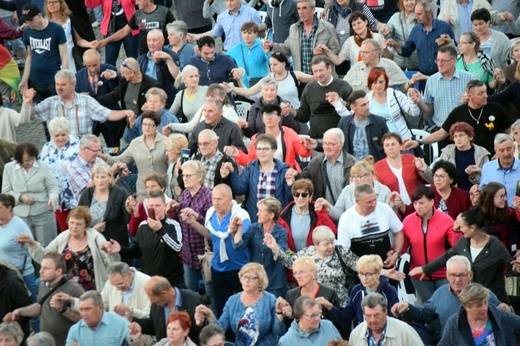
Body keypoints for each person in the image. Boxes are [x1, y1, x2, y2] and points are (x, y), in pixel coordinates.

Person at [409, 207, 517, 303]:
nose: (459, 230)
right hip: (470, 302)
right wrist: (425, 269)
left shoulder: (495, 246)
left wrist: (517, 268)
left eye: (462, 227)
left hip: (492, 302)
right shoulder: (464, 242)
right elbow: (447, 256)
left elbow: (511, 266)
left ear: (472, 229)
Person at [391, 256, 507, 338]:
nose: (457, 280)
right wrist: (407, 307)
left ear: (470, 275)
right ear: (447, 275)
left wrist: (507, 309)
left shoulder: (484, 295)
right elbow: (424, 315)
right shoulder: (440, 293)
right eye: (453, 275)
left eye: (461, 275)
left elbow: (503, 319)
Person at [182, 184, 250, 317]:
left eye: (220, 199)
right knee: (222, 311)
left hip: (240, 269)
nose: (216, 203)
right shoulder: (211, 213)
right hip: (218, 269)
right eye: (213, 199)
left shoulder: (241, 216)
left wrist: (233, 231)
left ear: (230, 199)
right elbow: (210, 236)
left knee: (244, 311)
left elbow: (240, 242)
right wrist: (194, 223)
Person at [18, 206, 119, 292]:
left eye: (78, 224)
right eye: (72, 223)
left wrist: (111, 252)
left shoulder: (96, 238)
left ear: (86, 226)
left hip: (90, 292)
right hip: (65, 290)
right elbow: (45, 256)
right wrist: (32, 243)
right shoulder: (63, 237)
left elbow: (111, 264)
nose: (74, 226)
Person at [20, 69, 134, 139]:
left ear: (73, 85)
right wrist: (27, 103)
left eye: (63, 85)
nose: (59, 88)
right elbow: (29, 116)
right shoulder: (50, 103)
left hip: (82, 152)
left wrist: (126, 112)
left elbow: (108, 114)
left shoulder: (86, 101)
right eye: (57, 84)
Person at [406, 80, 511, 155]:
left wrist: (502, 151)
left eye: (485, 92)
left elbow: (510, 132)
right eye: (480, 94)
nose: (485, 96)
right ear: (469, 96)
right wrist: (420, 142)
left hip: (493, 157)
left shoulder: (496, 109)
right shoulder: (459, 112)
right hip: (468, 158)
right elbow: (442, 133)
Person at [265, 226, 359, 308]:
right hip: (314, 304)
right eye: (326, 244)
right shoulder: (308, 253)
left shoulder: (341, 252)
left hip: (340, 303)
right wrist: (274, 246)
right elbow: (290, 263)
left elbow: (360, 265)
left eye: (332, 242)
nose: (331, 246)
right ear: (316, 245)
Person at [3, 252, 85, 346]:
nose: (40, 271)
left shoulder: (74, 289)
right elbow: (39, 306)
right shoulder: (43, 284)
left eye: (46, 268)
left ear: (58, 271)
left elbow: (85, 319)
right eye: (41, 267)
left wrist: (63, 310)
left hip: (67, 342)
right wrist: (19, 311)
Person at [194, 263, 286, 346]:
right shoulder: (232, 301)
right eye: (244, 276)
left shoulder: (270, 299)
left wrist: (279, 314)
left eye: (251, 278)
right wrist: (210, 315)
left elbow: (279, 331)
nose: (246, 281)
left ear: (260, 281)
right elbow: (221, 329)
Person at [107, 191, 183, 287]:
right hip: (148, 280)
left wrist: (160, 230)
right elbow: (138, 251)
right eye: (151, 206)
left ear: (164, 206)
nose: (154, 209)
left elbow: (177, 247)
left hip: (171, 281)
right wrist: (121, 249)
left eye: (158, 205)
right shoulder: (142, 226)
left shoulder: (173, 225)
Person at [401, 187, 460, 304]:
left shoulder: (446, 220)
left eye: (421, 203)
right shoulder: (408, 220)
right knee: (428, 309)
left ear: (432, 202)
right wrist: (394, 252)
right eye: (415, 203)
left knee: (445, 306)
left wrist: (456, 230)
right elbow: (403, 244)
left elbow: (456, 245)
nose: (418, 206)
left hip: (443, 274)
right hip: (418, 274)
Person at [320, 255, 399, 333]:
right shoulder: (356, 291)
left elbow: (395, 319)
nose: (364, 278)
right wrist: (329, 306)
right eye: (361, 273)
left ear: (378, 273)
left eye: (368, 274)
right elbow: (345, 318)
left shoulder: (389, 291)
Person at [222, 134, 292, 223]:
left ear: (274, 150)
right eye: (259, 149)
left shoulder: (283, 170)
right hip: (255, 219)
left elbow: (289, 198)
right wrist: (232, 172)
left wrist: (290, 185)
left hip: (277, 221)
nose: (261, 152)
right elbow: (239, 190)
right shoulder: (250, 168)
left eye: (266, 149)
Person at [405, 45, 474, 134]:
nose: (440, 64)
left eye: (444, 61)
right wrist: (419, 101)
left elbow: (479, 102)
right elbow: (428, 110)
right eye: (438, 60)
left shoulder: (469, 78)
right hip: (441, 130)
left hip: (465, 128)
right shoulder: (431, 80)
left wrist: (469, 100)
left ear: (454, 61)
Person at [1, 142, 59, 246]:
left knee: (47, 246)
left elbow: (53, 187)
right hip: (21, 215)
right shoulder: (9, 168)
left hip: (43, 212)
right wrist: (20, 197)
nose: (31, 163)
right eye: (27, 161)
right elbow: (5, 192)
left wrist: (53, 198)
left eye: (33, 159)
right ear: (19, 159)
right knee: (26, 247)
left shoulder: (44, 166)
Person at [230, 197, 288, 298]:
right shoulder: (253, 228)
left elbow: (282, 255)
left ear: (271, 215)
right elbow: (238, 246)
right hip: (255, 282)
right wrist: (238, 229)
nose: (257, 214)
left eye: (261, 211)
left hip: (275, 283)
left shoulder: (281, 232)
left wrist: (274, 245)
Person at [106, 111, 169, 201]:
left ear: (157, 126)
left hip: (162, 189)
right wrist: (102, 157)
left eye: (151, 125)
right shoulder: (135, 143)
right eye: (144, 124)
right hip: (143, 190)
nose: (147, 127)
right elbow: (121, 159)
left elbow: (171, 165)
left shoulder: (166, 142)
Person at [338, 183, 404, 268]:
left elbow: (398, 232)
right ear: (357, 201)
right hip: (361, 274)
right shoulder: (346, 218)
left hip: (386, 266)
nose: (374, 204)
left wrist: (396, 253)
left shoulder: (385, 209)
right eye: (369, 202)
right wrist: (366, 270)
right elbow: (344, 253)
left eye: (375, 199)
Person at [264, 0, 339, 75]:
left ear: (313, 9)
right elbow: (287, 48)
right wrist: (272, 46)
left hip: (322, 77)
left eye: (304, 8)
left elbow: (336, 50)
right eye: (298, 9)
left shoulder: (328, 28)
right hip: (302, 78)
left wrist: (323, 53)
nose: (301, 12)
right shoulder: (294, 28)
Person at [228, 104, 311, 171]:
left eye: (273, 115)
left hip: (286, 174)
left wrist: (306, 145)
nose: (269, 118)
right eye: (266, 115)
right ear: (263, 119)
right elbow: (251, 161)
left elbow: (304, 153)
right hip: (263, 175)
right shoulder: (256, 138)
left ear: (279, 118)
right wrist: (237, 154)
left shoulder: (289, 133)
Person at [385, 1, 455, 77]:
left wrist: (446, 44)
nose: (416, 17)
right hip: (423, 76)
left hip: (443, 75)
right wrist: (395, 45)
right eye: (415, 14)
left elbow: (455, 51)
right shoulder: (416, 30)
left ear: (429, 14)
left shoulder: (444, 27)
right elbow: (407, 51)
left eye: (419, 14)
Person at [286, 128, 357, 203]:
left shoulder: (352, 163)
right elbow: (304, 179)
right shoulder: (316, 162)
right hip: (322, 212)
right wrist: (295, 175)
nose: (327, 147)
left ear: (341, 144)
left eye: (331, 144)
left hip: (345, 211)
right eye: (325, 143)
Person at [348, 68, 419, 141]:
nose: (378, 85)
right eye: (375, 82)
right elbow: (351, 116)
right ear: (370, 84)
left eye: (381, 82)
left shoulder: (396, 95)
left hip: (401, 139)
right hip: (377, 142)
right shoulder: (366, 99)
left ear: (386, 82)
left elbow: (414, 113)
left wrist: (412, 100)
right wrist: (338, 105)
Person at [292, 55, 353, 139]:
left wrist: (341, 102)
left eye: (321, 70)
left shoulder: (343, 86)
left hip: (339, 139)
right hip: (316, 139)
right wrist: (291, 111)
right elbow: (304, 116)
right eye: (315, 71)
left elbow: (354, 111)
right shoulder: (309, 88)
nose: (318, 74)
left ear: (329, 69)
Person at [439, 283, 520, 345]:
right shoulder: (454, 323)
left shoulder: (501, 315)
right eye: (478, 305)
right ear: (466, 306)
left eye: (485, 302)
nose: (484, 308)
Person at [129, 276, 202, 344]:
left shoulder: (194, 301)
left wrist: (199, 325)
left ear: (163, 294)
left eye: (152, 298)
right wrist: (133, 320)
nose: (151, 301)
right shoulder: (156, 305)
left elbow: (204, 331)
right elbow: (154, 326)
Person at [316, 156, 391, 222]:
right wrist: (328, 207)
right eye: (353, 176)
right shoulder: (347, 190)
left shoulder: (384, 191)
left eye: (358, 176)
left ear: (369, 175)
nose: (355, 180)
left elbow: (390, 215)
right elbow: (339, 214)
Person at [175, 161, 212, 293]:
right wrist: (174, 211)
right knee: (190, 292)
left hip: (204, 251)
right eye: (184, 175)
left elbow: (211, 227)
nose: (185, 178)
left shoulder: (209, 197)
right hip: (188, 252)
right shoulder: (184, 194)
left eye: (189, 176)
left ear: (200, 177)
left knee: (211, 292)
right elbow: (180, 221)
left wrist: (196, 217)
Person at [18, 4, 68, 102]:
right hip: (35, 79)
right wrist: (24, 80)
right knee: (40, 113)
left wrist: (64, 77)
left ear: (39, 15)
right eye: (26, 21)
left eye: (31, 20)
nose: (29, 23)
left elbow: (64, 55)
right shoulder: (28, 31)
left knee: (57, 111)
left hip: (53, 79)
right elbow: (29, 57)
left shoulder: (56, 29)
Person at [74, 49, 122, 147]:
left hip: (110, 119)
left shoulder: (109, 69)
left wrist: (113, 78)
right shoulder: (78, 76)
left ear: (100, 60)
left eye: (95, 65)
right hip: (91, 121)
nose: (92, 69)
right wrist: (80, 97)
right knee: (88, 148)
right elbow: (74, 96)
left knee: (114, 147)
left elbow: (119, 90)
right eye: (88, 66)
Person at [78, 162, 130, 251]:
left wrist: (129, 210)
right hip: (92, 244)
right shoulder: (86, 194)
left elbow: (128, 218)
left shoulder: (120, 193)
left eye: (103, 177)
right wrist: (92, 230)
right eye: (97, 177)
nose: (100, 180)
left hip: (115, 243)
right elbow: (78, 219)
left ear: (110, 178)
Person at [39, 117, 79, 233]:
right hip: (57, 197)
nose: (60, 138)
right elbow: (42, 167)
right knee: (64, 230)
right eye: (56, 136)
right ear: (51, 135)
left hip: (75, 195)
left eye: (63, 134)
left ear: (68, 132)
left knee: (78, 227)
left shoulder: (77, 145)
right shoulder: (47, 147)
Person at [0, 194, 38, 315]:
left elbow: (32, 247)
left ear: (9, 208)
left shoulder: (19, 225)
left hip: (22, 275)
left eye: (0, 208)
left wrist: (24, 244)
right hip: (3, 276)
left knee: (31, 311)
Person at [97, 0, 175, 56]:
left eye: (139, 0)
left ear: (148, 1)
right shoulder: (137, 15)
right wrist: (106, 40)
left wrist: (185, 35)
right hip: (145, 56)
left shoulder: (164, 12)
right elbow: (124, 31)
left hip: (164, 53)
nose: (136, 2)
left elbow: (176, 28)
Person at [278, 179, 337, 252]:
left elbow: (331, 231)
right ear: (293, 196)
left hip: (313, 257)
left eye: (304, 195)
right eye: (297, 194)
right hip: (291, 257)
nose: (300, 198)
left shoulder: (317, 212)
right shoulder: (284, 215)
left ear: (310, 196)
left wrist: (321, 213)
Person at [374, 133, 432, 207]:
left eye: (393, 144)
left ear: (401, 146)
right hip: (394, 209)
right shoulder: (377, 167)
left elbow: (425, 181)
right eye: (387, 145)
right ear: (384, 149)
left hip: (416, 206)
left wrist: (423, 169)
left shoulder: (411, 159)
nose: (390, 148)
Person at [317, 11, 391, 68]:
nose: (357, 26)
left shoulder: (378, 37)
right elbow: (338, 61)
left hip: (377, 75)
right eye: (354, 25)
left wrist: (385, 50)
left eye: (359, 23)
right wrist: (327, 50)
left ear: (366, 22)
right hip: (357, 78)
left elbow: (391, 58)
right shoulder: (350, 41)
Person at [95, 58, 160, 122]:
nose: (122, 75)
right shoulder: (124, 81)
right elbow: (114, 95)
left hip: (145, 124)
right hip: (128, 123)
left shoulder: (152, 86)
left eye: (123, 73)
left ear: (131, 73)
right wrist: (94, 100)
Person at [281, 256, 340, 324]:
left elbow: (338, 322)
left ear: (314, 273)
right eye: (295, 273)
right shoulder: (291, 295)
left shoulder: (329, 294)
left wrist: (321, 314)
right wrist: (290, 316)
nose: (298, 276)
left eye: (301, 272)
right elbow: (289, 327)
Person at [349, 293, 424, 346]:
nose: (373, 320)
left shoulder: (405, 332)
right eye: (368, 316)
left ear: (386, 312)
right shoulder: (355, 334)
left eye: (377, 315)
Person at [236, 78, 301, 138]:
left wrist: (287, 115)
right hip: (261, 143)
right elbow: (251, 134)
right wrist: (246, 127)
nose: (269, 93)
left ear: (277, 91)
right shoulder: (255, 107)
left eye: (272, 89)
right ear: (261, 91)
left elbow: (296, 130)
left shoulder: (285, 105)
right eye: (266, 90)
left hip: (283, 142)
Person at [44, 0, 96, 73]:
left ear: (61, 4)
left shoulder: (69, 20)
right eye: (49, 2)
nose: (51, 4)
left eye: (55, 2)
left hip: (70, 55)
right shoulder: (44, 23)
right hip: (53, 57)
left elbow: (78, 40)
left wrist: (90, 44)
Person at [166, 83, 239, 135]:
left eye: (213, 96)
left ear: (222, 98)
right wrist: (172, 126)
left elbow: (234, 132)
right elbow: (191, 126)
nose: (209, 99)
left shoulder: (230, 111)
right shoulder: (203, 108)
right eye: (208, 96)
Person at [188, 0, 261, 51]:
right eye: (227, 1)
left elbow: (261, 33)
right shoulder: (222, 17)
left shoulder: (252, 13)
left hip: (248, 51)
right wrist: (195, 37)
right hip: (229, 52)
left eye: (232, 0)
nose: (229, 3)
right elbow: (214, 33)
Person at [437, 121, 490, 191]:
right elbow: (438, 177)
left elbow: (487, 180)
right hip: (453, 192)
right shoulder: (447, 153)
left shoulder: (482, 153)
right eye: (455, 136)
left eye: (461, 135)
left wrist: (474, 175)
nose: (458, 139)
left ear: (470, 137)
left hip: (476, 193)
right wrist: (424, 170)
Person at [338, 90, 389, 161]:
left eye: (368, 103)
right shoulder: (344, 123)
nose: (367, 107)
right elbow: (337, 143)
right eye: (363, 105)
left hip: (375, 166)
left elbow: (388, 143)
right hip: (353, 167)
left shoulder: (379, 122)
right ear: (353, 107)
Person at [84, 0, 139, 66]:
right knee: (109, 61)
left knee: (133, 59)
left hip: (130, 28)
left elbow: (140, 2)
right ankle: (111, 75)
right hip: (111, 30)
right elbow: (90, 4)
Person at [66, 291, 131, 345]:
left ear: (100, 307)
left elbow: (136, 342)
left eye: (88, 309)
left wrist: (137, 339)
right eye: (81, 309)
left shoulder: (121, 324)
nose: (84, 314)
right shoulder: (75, 330)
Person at [137, 29, 180, 108]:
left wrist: (164, 61)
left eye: (154, 40)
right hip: (146, 97)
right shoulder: (142, 58)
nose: (151, 43)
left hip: (164, 97)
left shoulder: (171, 55)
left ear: (162, 40)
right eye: (149, 40)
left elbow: (176, 78)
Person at [477, 182, 520, 254]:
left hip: (507, 253)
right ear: (490, 197)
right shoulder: (477, 213)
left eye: (505, 195)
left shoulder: (510, 213)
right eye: (502, 196)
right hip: (484, 254)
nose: (505, 199)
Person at [480, 134, 520, 207]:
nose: (506, 153)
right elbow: (483, 193)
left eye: (509, 149)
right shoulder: (487, 168)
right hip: (494, 214)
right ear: (496, 151)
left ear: (514, 148)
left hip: (517, 214)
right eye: (501, 150)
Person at [226, 21, 269, 88]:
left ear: (255, 33)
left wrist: (268, 53)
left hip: (260, 83)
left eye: (249, 33)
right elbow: (225, 59)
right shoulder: (236, 48)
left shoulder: (262, 46)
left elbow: (271, 61)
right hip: (243, 85)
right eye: (244, 33)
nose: (246, 36)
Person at [438, 0, 508, 41]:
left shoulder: (481, 2)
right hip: (458, 47)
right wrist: (444, 22)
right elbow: (440, 23)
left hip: (478, 45)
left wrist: (501, 17)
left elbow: (492, 17)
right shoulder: (447, 4)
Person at [129, 311, 197, 346]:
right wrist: (137, 339)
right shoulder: (163, 342)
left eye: (175, 329)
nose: (170, 332)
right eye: (168, 328)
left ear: (186, 331)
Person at [386, 0, 419, 70]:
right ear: (402, 3)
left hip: (417, 63)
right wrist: (384, 32)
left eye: (411, 0)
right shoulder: (395, 17)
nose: (409, 3)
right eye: (406, 0)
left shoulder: (421, 17)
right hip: (399, 63)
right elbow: (388, 36)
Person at [164, 134, 189, 200]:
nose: (166, 153)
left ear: (175, 150)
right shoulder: (171, 167)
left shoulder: (189, 167)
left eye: (168, 150)